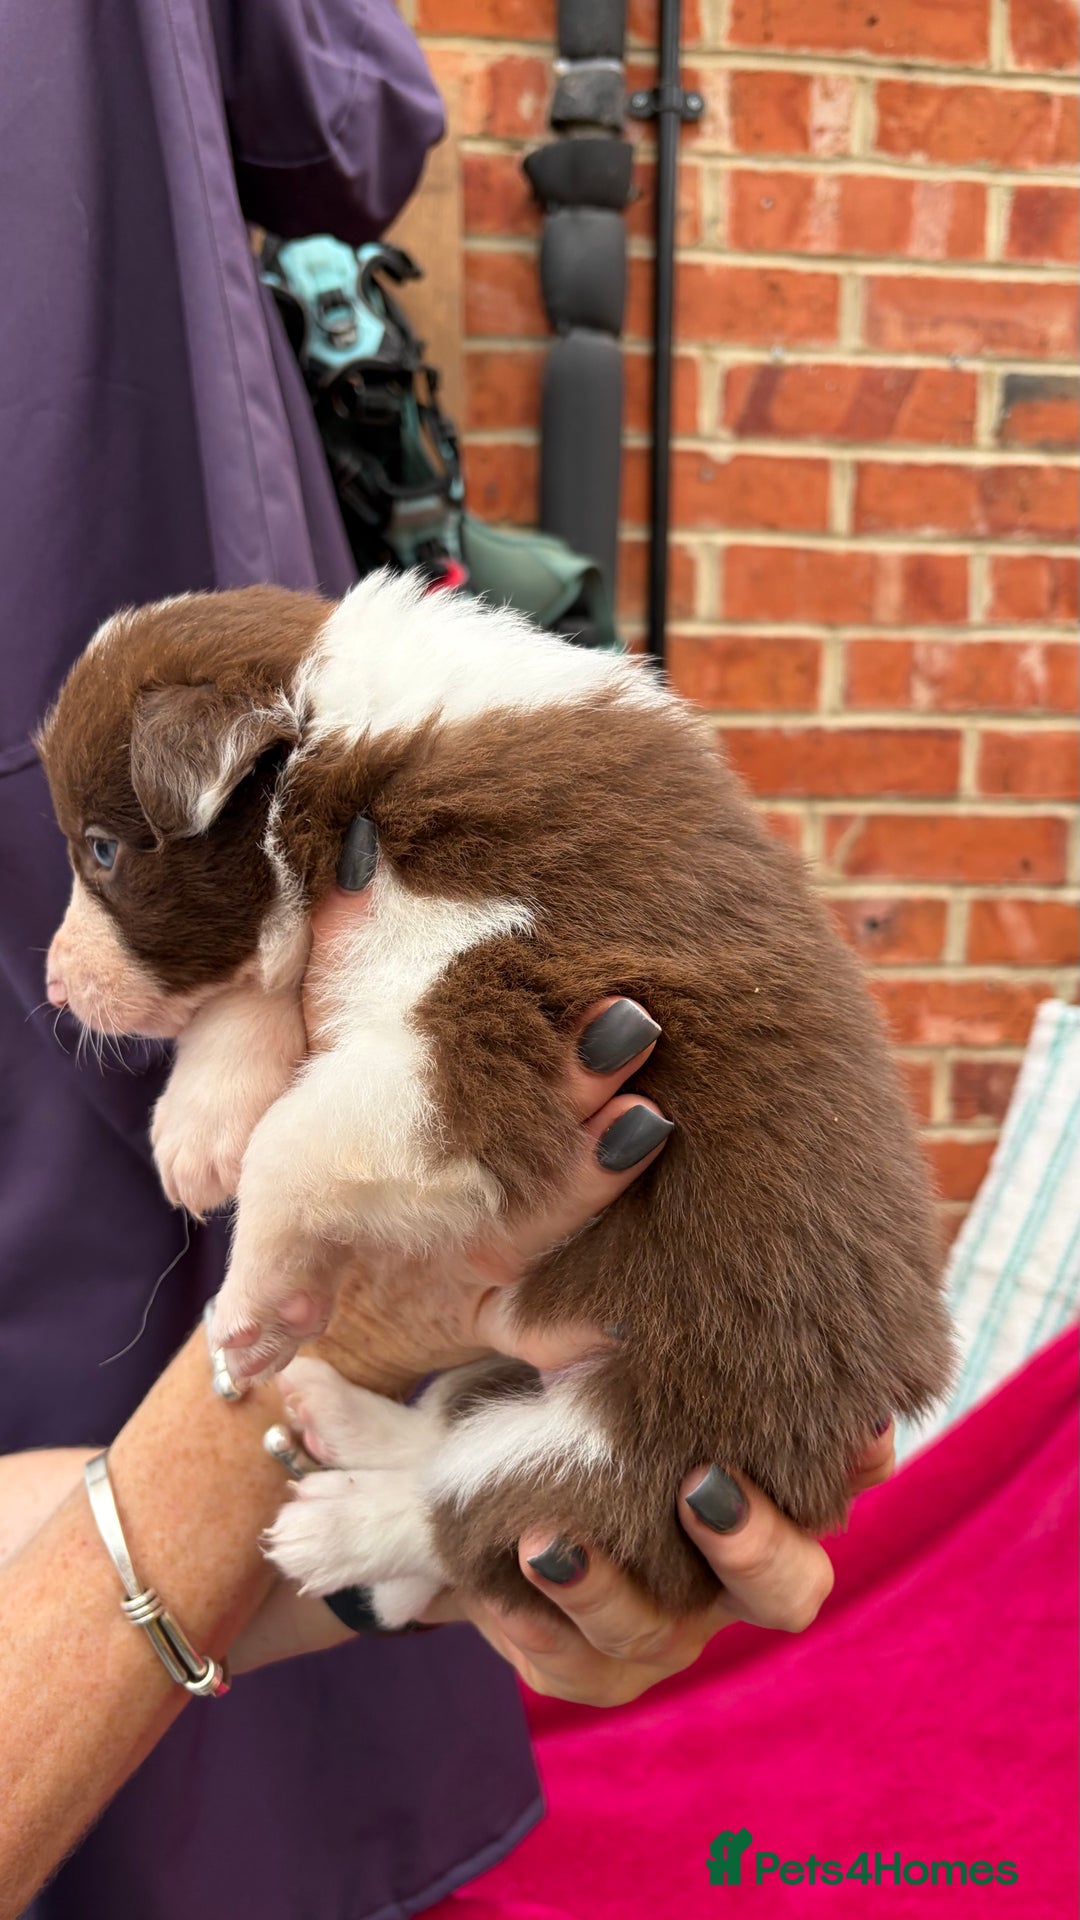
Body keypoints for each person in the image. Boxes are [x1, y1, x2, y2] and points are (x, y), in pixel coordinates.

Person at [0, 2, 894, 1913]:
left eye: (87, 867)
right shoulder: (429, 755)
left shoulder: (417, 799)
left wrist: (302, 1298)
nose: (69, 955)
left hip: (638, 1344)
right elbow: (346, 108)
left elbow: (397, 1093)